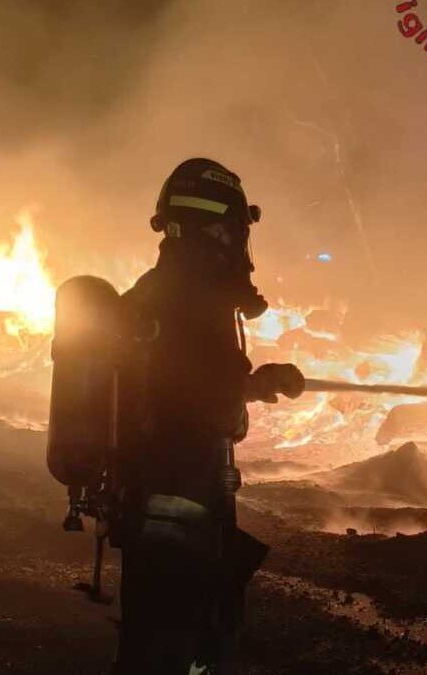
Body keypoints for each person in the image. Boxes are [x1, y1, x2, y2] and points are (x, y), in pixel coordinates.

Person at [112, 158, 305, 674]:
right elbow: (191, 398)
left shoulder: (155, 293)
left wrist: (252, 383)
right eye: (234, 230)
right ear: (212, 229)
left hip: (156, 497)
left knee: (153, 640)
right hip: (180, 497)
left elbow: (182, 381)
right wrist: (253, 384)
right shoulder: (188, 299)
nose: (239, 245)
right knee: (184, 644)